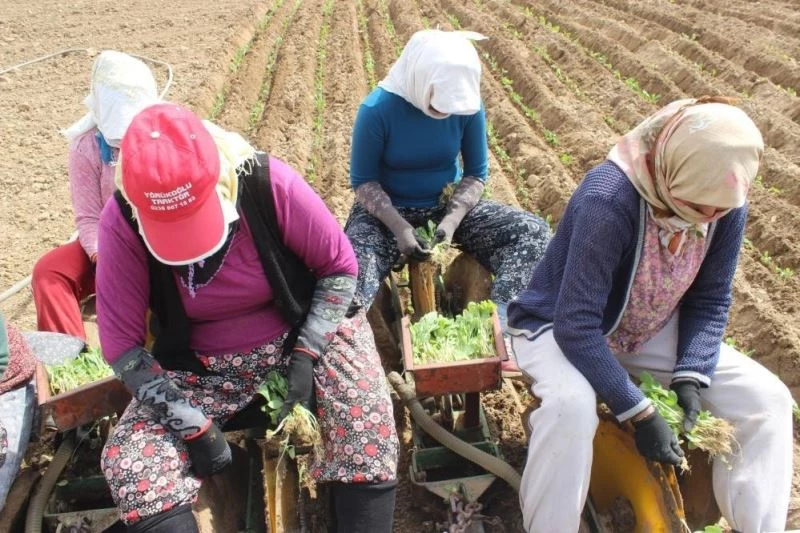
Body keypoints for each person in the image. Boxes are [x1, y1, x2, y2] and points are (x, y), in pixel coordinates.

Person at [95, 103, 399, 532]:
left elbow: (339, 269)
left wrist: (307, 352)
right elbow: (125, 349)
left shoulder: (264, 182)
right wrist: (194, 426)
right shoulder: (122, 221)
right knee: (133, 463)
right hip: (203, 369)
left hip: (303, 333)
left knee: (363, 417)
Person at [507, 97, 793, 533]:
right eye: (699, 206)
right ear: (673, 169)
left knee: (766, 399)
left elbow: (710, 298)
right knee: (572, 407)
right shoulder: (610, 198)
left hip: (646, 326)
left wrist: (690, 376)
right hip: (560, 326)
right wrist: (637, 411)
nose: (711, 217)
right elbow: (577, 323)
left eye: (722, 208)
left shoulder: (724, 201)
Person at [344, 29, 550, 368]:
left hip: (445, 204)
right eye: (437, 103)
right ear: (422, 81)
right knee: (349, 278)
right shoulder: (377, 110)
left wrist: (451, 221)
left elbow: (475, 174)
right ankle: (367, 359)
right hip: (385, 212)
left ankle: (501, 330)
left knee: (532, 233)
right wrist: (398, 228)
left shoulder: (468, 106)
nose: (444, 112)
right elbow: (364, 182)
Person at [31, 50, 158, 340]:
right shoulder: (86, 147)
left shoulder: (165, 134)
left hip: (160, 244)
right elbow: (88, 217)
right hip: (107, 243)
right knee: (50, 272)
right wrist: (105, 259)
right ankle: (71, 357)